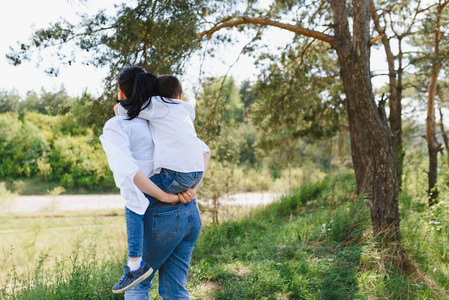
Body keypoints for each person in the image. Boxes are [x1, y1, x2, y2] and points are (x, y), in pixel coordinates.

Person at [100, 66, 210, 298]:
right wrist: (192, 189)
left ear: (121, 93)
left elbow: (129, 172)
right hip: (190, 212)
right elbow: (203, 151)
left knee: (138, 284)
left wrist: (162, 196)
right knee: (175, 289)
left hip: (160, 215)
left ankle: (134, 265)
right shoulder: (166, 118)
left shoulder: (117, 125)